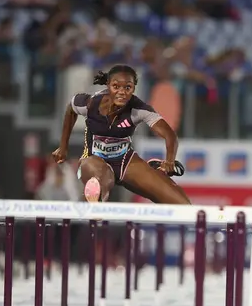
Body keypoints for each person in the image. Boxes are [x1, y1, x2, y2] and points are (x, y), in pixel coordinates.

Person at [51, 64, 190, 204]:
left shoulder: (139, 109)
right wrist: (63, 147)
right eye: (116, 87)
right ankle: (94, 204)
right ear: (108, 85)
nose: (122, 92)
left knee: (181, 203)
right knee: (101, 179)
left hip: (125, 161)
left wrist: (170, 161)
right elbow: (71, 109)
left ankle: (154, 173)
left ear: (133, 88)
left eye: (127, 87)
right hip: (93, 159)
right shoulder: (90, 103)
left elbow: (170, 136)